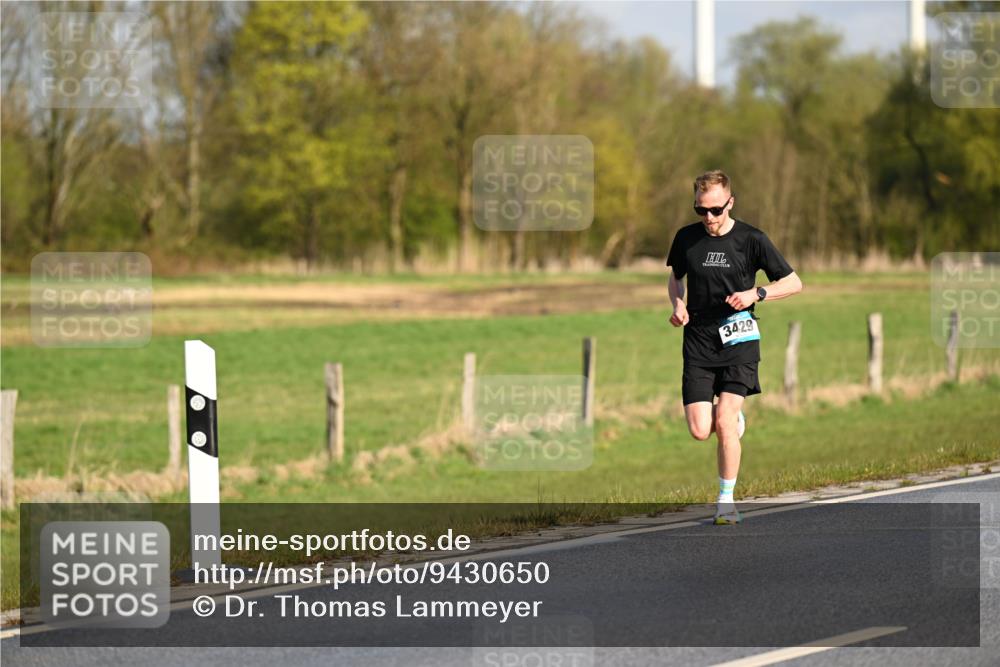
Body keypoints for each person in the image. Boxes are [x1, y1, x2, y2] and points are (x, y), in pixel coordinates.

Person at [666, 170, 802, 524]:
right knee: (699, 429)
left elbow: (793, 282)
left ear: (730, 202)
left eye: (715, 210)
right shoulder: (686, 239)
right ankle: (733, 419)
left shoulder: (752, 239)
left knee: (723, 422)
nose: (708, 218)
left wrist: (756, 293)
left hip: (739, 337)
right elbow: (675, 277)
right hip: (698, 340)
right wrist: (678, 305)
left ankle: (726, 501)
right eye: (701, 210)